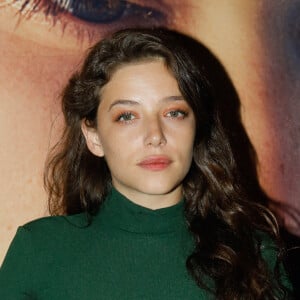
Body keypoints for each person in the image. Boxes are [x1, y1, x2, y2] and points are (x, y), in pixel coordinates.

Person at [0, 27, 293, 299]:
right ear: (94, 137)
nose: (155, 136)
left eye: (174, 112)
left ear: (197, 128)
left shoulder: (256, 255)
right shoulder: (40, 250)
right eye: (127, 116)